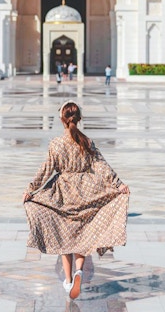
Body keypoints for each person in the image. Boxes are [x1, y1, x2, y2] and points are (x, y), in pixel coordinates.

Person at [23, 101, 130, 300]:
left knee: (65, 237)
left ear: (62, 120)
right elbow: (102, 167)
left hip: (63, 193)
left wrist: (31, 189)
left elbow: (46, 169)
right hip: (87, 190)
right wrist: (119, 185)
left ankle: (69, 279)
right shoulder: (87, 142)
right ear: (79, 119)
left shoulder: (56, 144)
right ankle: (80, 270)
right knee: (82, 234)